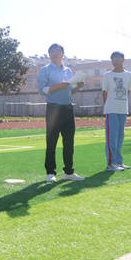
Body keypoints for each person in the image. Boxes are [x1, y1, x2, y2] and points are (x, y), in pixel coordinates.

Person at [37, 43, 85, 182]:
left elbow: (70, 91)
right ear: (49, 54)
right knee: (51, 141)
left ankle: (69, 172)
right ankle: (50, 173)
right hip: (53, 108)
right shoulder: (45, 70)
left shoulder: (68, 71)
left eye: (58, 51)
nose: (55, 54)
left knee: (69, 142)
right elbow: (42, 90)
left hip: (68, 108)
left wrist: (78, 87)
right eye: (52, 51)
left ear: (63, 54)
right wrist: (58, 86)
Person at [102, 51, 131, 171]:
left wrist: (123, 104)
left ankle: (119, 162)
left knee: (120, 137)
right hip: (111, 110)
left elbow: (128, 91)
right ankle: (111, 164)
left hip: (123, 110)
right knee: (112, 138)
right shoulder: (107, 75)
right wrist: (108, 107)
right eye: (113, 59)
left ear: (123, 60)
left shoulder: (129, 75)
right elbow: (104, 92)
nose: (115, 61)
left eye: (118, 58)